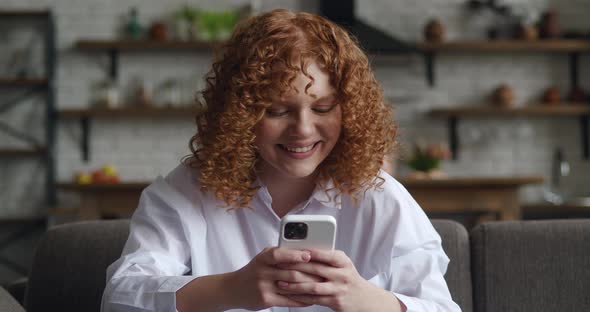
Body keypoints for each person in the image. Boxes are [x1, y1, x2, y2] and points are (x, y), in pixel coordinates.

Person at [101, 9, 461, 312]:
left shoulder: (381, 198)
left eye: (322, 107)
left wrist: (363, 298)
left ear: (349, 110)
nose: (303, 130)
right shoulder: (187, 192)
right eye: (276, 110)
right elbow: (118, 298)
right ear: (240, 114)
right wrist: (233, 289)